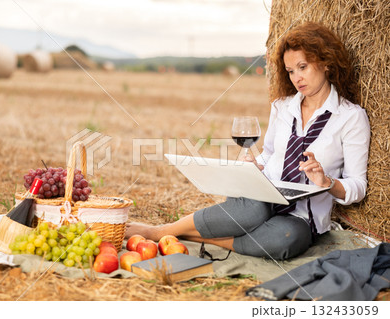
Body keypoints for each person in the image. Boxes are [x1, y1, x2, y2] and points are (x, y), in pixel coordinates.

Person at [126, 22, 370, 260]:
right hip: (261, 196)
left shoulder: (350, 117)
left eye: (303, 67)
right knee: (252, 210)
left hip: (301, 217)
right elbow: (271, 154)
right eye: (290, 71)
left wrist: (327, 182)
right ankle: (159, 232)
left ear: (325, 62)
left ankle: (199, 237)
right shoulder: (282, 107)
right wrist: (252, 165)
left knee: (286, 238)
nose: (297, 78)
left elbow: (357, 185)